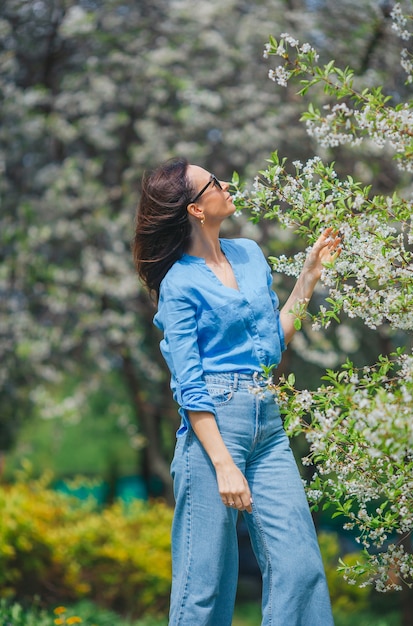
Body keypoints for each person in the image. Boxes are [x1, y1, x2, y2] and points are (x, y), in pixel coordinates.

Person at [132, 157, 340, 626]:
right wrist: (225, 465)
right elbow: (188, 383)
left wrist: (308, 276)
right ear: (195, 209)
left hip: (267, 427)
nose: (227, 184)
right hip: (212, 433)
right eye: (213, 182)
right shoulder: (178, 284)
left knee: (301, 568)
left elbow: (271, 343)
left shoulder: (249, 255)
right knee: (204, 585)